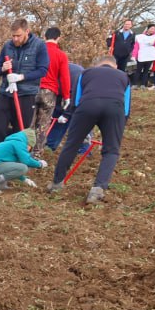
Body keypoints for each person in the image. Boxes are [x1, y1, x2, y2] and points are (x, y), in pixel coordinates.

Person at [47, 56, 130, 205]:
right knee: (111, 151)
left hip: (87, 106)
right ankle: (98, 189)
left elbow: (76, 100)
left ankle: (56, 184)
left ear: (97, 64)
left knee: (71, 145)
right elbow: (126, 108)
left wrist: (79, 127)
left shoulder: (86, 73)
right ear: (115, 66)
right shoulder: (123, 76)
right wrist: (118, 127)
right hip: (114, 109)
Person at [0, 19, 48, 136]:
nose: (15, 39)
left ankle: (16, 152)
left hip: (26, 95)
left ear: (27, 31)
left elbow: (42, 70)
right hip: (5, 93)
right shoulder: (7, 46)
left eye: (18, 35)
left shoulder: (39, 46)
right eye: (13, 36)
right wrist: (3, 68)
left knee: (20, 130)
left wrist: (21, 77)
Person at [32, 27, 71, 151]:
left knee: (29, 122)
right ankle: (37, 153)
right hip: (49, 92)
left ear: (44, 37)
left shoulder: (36, 51)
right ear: (58, 38)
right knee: (43, 125)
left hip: (32, 89)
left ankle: (23, 150)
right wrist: (66, 96)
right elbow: (65, 77)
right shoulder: (61, 55)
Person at [0, 128, 46, 193]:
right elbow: (26, 161)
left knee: (17, 166)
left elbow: (12, 168)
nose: (28, 150)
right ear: (28, 143)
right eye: (30, 147)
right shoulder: (19, 143)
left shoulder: (13, 142)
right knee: (23, 167)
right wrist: (39, 164)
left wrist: (25, 179)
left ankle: (1, 185)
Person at [132, 24, 155, 88]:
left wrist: (154, 43)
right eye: (151, 28)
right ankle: (134, 84)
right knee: (138, 71)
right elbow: (136, 47)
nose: (153, 30)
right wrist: (134, 55)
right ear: (148, 29)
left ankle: (143, 84)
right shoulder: (140, 37)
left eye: (154, 29)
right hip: (141, 56)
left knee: (146, 71)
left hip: (150, 57)